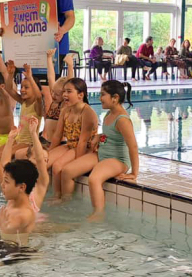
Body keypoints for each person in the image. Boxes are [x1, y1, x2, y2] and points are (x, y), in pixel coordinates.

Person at [59, 81, 138, 221]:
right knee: (67, 171)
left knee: (94, 179)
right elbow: (113, 134)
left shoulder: (123, 120)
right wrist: (99, 136)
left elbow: (133, 146)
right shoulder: (109, 114)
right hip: (102, 154)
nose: (99, 98)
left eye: (103, 95)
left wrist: (134, 173)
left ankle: (98, 213)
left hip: (117, 159)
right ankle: (67, 202)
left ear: (115, 98)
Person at [27, 0, 75, 83]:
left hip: (54, 47)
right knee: (33, 88)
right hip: (36, 47)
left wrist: (62, 30)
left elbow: (70, 17)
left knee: (48, 89)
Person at [48, 78, 98, 201]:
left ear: (81, 95)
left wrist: (76, 163)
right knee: (44, 161)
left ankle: (64, 199)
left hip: (84, 148)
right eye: (64, 91)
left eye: (69, 91)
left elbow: (83, 141)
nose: (65, 94)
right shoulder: (65, 110)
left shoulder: (88, 112)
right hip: (70, 145)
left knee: (58, 166)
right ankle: (53, 194)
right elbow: (57, 135)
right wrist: (49, 152)